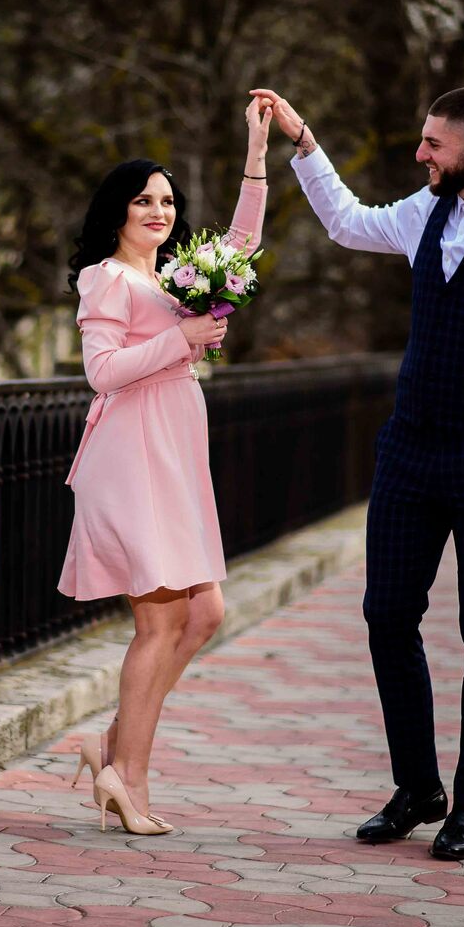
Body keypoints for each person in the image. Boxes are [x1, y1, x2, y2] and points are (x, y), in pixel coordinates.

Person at [250, 85, 464, 860]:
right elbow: (347, 221)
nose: (421, 154)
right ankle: (417, 788)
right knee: (387, 615)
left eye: (434, 144)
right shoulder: (425, 212)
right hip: (409, 452)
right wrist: (303, 142)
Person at [58, 96, 273, 835]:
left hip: (174, 446)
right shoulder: (107, 279)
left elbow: (239, 250)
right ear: (117, 210)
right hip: (130, 451)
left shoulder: (175, 278)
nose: (159, 209)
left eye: (168, 201)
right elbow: (102, 372)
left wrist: (255, 160)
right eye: (144, 199)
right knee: (159, 621)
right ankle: (129, 778)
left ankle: (111, 746)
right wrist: (185, 342)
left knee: (204, 611)